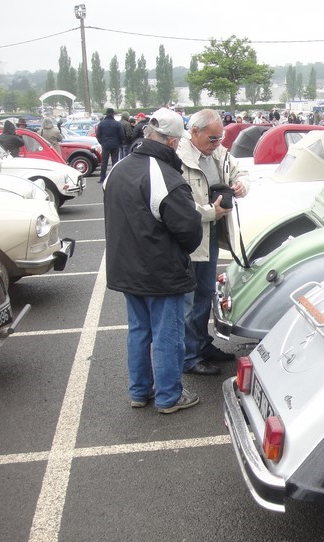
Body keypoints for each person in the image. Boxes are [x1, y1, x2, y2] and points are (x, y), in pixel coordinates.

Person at [103, 108, 203, 414]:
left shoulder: (118, 168)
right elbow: (189, 229)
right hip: (161, 271)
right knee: (167, 335)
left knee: (138, 331)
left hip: (126, 267)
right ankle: (169, 396)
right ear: (173, 143)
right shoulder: (165, 176)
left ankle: (139, 390)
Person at [178, 109, 249, 376]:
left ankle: (201, 345)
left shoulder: (218, 151)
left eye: (220, 138)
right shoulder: (178, 157)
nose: (217, 143)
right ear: (194, 132)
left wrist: (241, 184)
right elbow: (178, 206)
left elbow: (240, 171)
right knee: (187, 299)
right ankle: (189, 356)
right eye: (212, 139)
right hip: (189, 238)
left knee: (205, 294)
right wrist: (211, 212)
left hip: (211, 235)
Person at [95, 108, 125, 182]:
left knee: (104, 162)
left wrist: (102, 142)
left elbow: (98, 135)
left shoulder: (101, 124)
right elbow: (121, 135)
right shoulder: (117, 124)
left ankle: (102, 178)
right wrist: (120, 143)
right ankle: (114, 178)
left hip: (105, 144)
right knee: (115, 161)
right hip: (115, 144)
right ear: (113, 114)